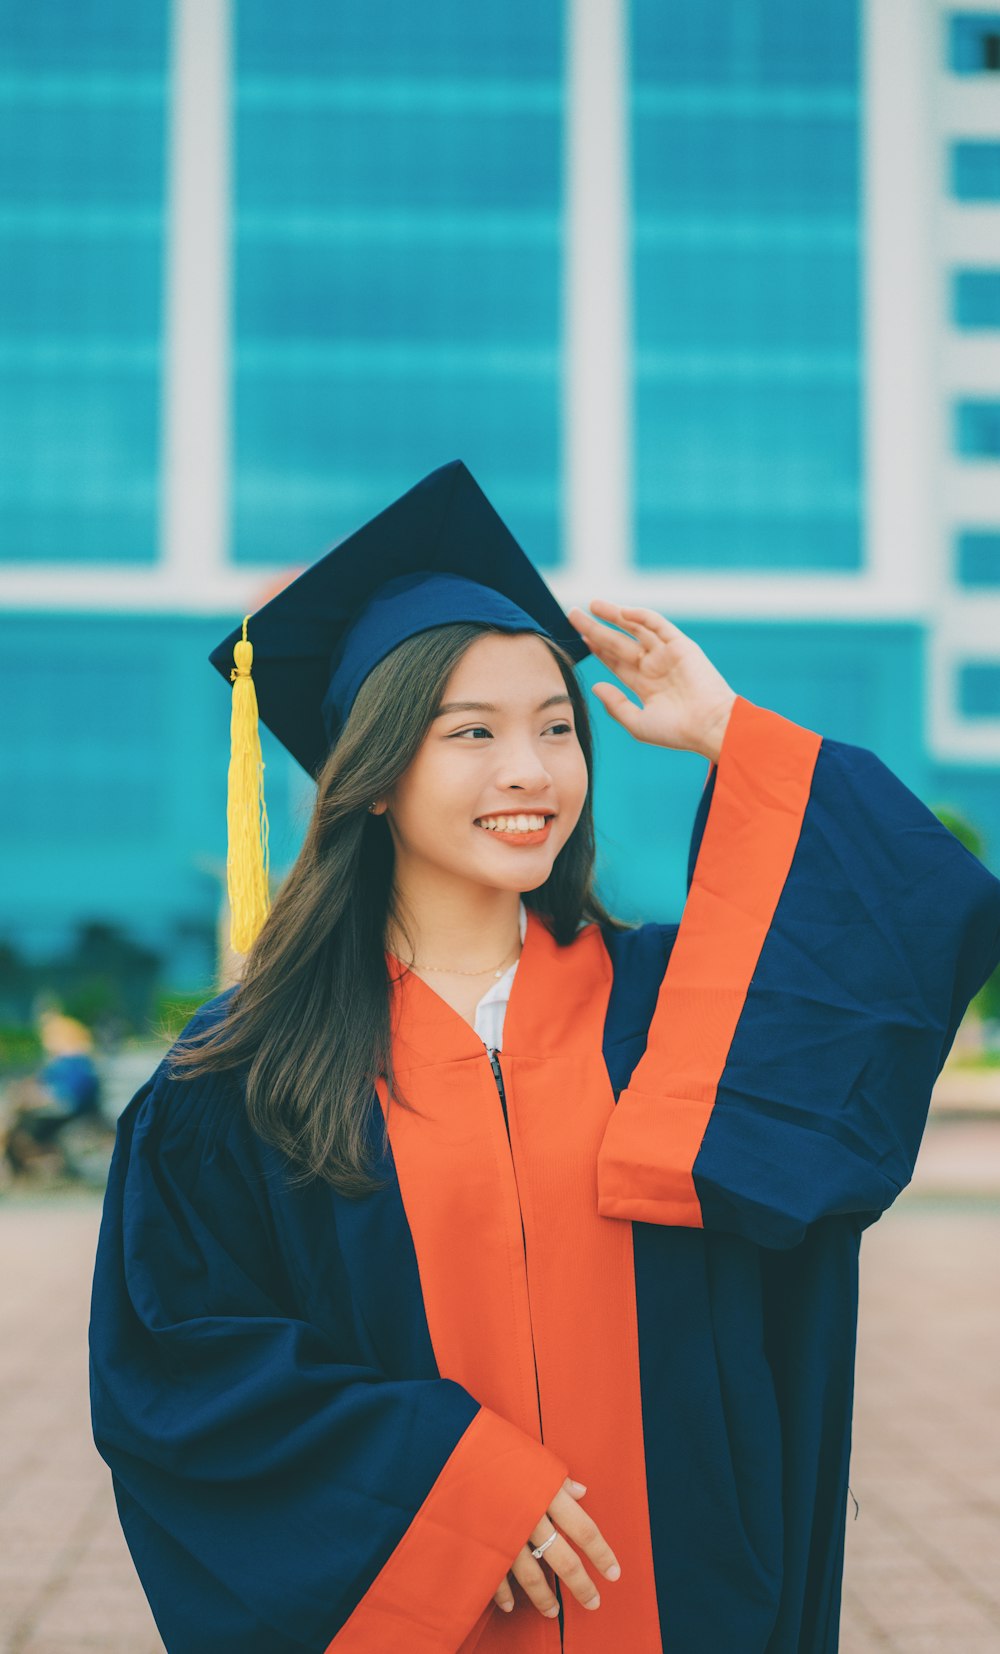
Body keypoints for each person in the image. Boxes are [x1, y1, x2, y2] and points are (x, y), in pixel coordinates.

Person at [88, 459, 1000, 1654]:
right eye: (470, 732)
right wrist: (448, 1481)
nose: (530, 770)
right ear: (371, 777)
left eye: (555, 727)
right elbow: (178, 1368)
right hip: (433, 1607)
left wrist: (729, 734)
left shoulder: (674, 1010)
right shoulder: (248, 1071)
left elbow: (909, 923)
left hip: (681, 1600)